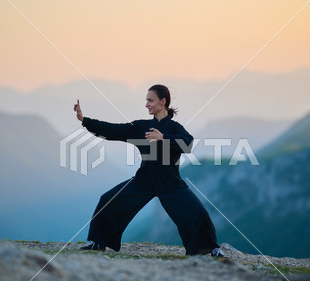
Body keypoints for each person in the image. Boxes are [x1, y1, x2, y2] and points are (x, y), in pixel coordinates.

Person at [73, 84, 226, 257]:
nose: (146, 104)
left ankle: (210, 249)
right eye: (146, 100)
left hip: (170, 183)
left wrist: (163, 138)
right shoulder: (141, 127)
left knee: (197, 212)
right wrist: (84, 120)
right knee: (108, 200)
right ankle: (97, 243)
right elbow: (113, 130)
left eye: (150, 100)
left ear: (163, 101)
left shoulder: (175, 128)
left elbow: (188, 144)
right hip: (143, 181)